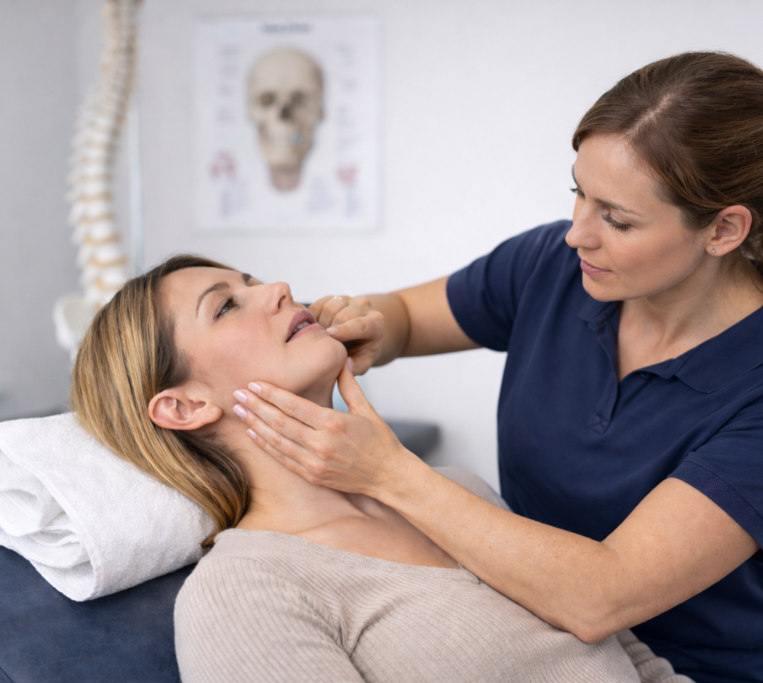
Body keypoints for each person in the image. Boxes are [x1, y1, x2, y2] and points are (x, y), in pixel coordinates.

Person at [228, 52, 763, 683]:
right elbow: (409, 317)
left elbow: (602, 594)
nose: (576, 234)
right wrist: (372, 325)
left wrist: (388, 473)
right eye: (578, 193)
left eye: (616, 218)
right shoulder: (553, 270)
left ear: (723, 230)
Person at [68, 255, 693, 683]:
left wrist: (394, 472)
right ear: (183, 406)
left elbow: (632, 659)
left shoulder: (455, 489)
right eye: (226, 306)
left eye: (251, 279)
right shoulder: (244, 589)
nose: (278, 288)